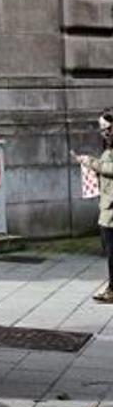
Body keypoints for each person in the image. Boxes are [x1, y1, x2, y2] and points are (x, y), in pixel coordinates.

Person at [74, 112, 113, 304]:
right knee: (109, 251)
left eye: (107, 129)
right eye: (102, 129)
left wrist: (90, 162)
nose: (104, 133)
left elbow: (109, 169)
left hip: (111, 211)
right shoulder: (108, 150)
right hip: (107, 209)